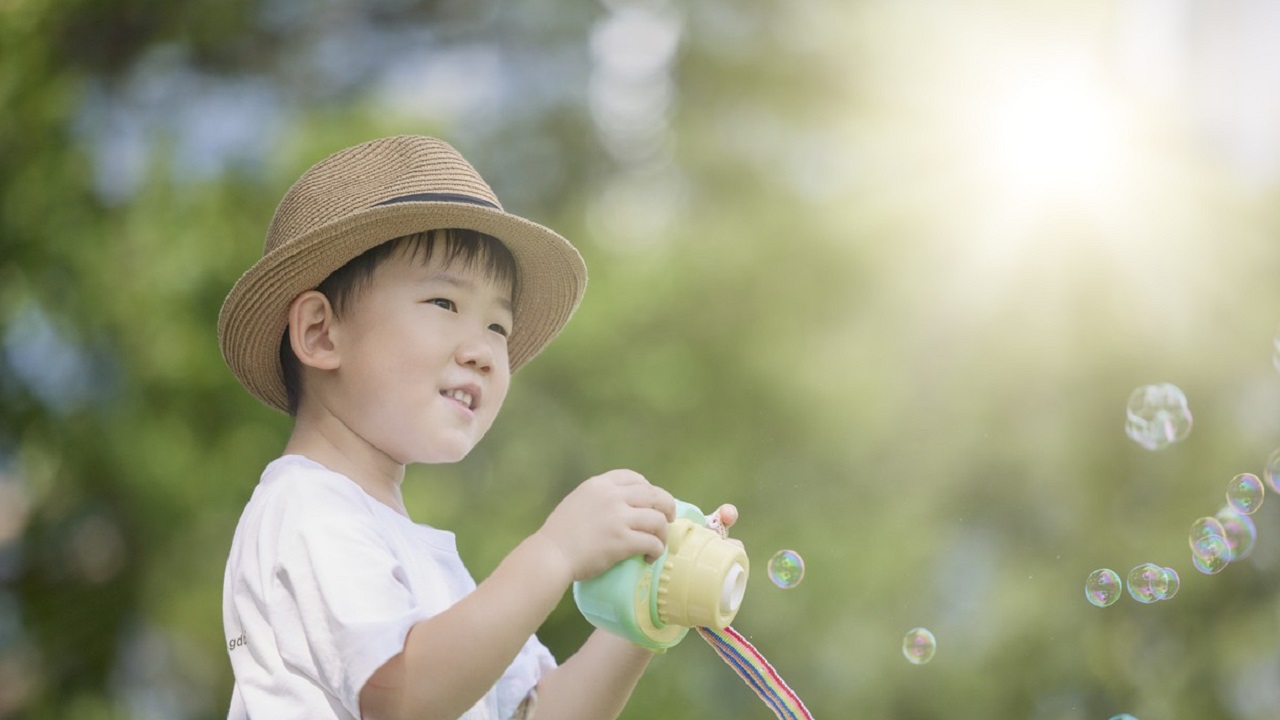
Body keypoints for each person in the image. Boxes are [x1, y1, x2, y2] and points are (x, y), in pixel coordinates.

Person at [216, 135, 737, 720]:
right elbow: (402, 698)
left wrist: (650, 603)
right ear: (320, 332)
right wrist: (556, 550)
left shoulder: (421, 560)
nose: (484, 352)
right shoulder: (307, 510)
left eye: (498, 328)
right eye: (444, 303)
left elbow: (538, 714)